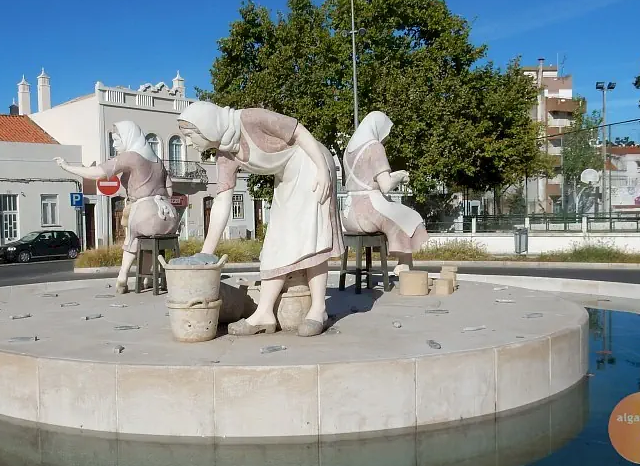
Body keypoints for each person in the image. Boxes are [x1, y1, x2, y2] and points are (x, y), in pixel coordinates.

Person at [177, 102, 343, 337]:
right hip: (287, 175)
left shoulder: (250, 118)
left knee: (313, 235)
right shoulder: (225, 154)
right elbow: (222, 202)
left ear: (206, 126)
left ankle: (318, 309)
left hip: (311, 163)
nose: (188, 142)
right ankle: (265, 313)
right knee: (274, 241)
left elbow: (299, 132)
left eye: (190, 135)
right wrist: (206, 253)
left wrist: (323, 170)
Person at [55, 121, 178, 293]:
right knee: (148, 239)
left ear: (127, 137)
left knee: (132, 239)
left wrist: (67, 167)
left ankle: (123, 277)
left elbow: (97, 173)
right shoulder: (158, 161)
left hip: (144, 209)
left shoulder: (131, 157)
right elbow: (170, 191)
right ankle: (146, 280)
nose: (114, 144)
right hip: (169, 216)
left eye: (116, 139)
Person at [341, 111, 428, 274]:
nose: (385, 138)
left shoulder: (348, 151)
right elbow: (386, 186)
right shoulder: (374, 147)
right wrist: (401, 176)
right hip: (368, 212)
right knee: (410, 216)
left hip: (348, 215)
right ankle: (404, 264)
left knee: (396, 213)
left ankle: (403, 263)